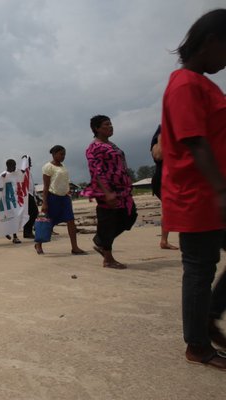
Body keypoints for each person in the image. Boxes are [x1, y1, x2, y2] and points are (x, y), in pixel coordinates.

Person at [161, 9, 226, 370]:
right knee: (200, 268)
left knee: (201, 267)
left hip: (212, 190)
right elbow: (195, 141)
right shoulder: (185, 84)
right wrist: (220, 192)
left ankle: (210, 318)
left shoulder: (204, 84)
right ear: (213, 41)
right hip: (198, 195)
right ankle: (197, 344)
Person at [82, 115, 137, 269]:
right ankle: (108, 258)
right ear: (97, 129)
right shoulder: (95, 147)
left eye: (111, 123)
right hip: (107, 190)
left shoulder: (111, 144)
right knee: (108, 221)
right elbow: (96, 171)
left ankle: (101, 242)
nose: (111, 126)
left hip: (122, 190)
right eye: (106, 124)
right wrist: (107, 192)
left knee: (130, 216)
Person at [34, 146, 85, 255]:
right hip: (53, 198)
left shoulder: (63, 166)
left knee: (71, 221)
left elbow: (65, 181)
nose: (63, 156)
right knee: (48, 222)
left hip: (65, 198)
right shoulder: (48, 167)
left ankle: (74, 247)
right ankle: (38, 244)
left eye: (64, 154)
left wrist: (67, 192)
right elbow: (46, 186)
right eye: (61, 154)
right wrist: (44, 202)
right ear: (54, 154)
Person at [150, 125, 178, 250]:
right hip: (164, 178)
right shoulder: (160, 136)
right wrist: (163, 135)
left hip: (175, 177)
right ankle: (164, 241)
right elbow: (159, 155)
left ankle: (164, 240)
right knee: (169, 208)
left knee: (170, 209)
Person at [1, 159, 22, 244]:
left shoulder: (15, 174)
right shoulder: (3, 175)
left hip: (14, 200)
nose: (15, 167)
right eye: (13, 165)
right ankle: (7, 232)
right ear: (9, 166)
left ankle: (15, 236)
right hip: (6, 201)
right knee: (7, 218)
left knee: (15, 217)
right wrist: (2, 178)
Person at [20, 155, 39, 239]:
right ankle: (27, 232)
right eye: (29, 160)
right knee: (34, 212)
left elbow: (32, 185)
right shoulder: (23, 172)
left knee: (32, 213)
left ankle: (28, 231)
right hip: (26, 194)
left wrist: (36, 195)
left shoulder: (29, 172)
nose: (30, 162)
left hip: (31, 194)